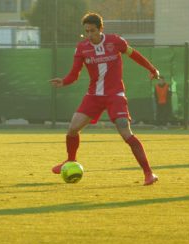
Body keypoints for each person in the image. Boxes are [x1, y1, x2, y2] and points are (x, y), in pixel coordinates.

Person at [49, 12, 159, 186]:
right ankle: (70, 160)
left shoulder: (115, 41)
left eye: (92, 31)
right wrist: (64, 81)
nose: (89, 35)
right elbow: (74, 74)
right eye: (86, 31)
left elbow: (134, 54)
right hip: (94, 96)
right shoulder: (82, 47)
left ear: (101, 29)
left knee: (125, 131)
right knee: (72, 128)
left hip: (115, 95)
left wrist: (152, 69)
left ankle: (149, 173)